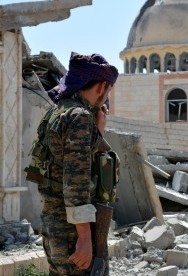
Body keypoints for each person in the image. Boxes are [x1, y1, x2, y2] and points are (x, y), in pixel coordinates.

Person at [38, 52, 119, 275]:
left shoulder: (57, 112)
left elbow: (60, 164)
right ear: (102, 86)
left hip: (54, 222)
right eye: (108, 90)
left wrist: (98, 133)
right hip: (72, 232)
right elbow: (75, 181)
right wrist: (84, 238)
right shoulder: (79, 118)